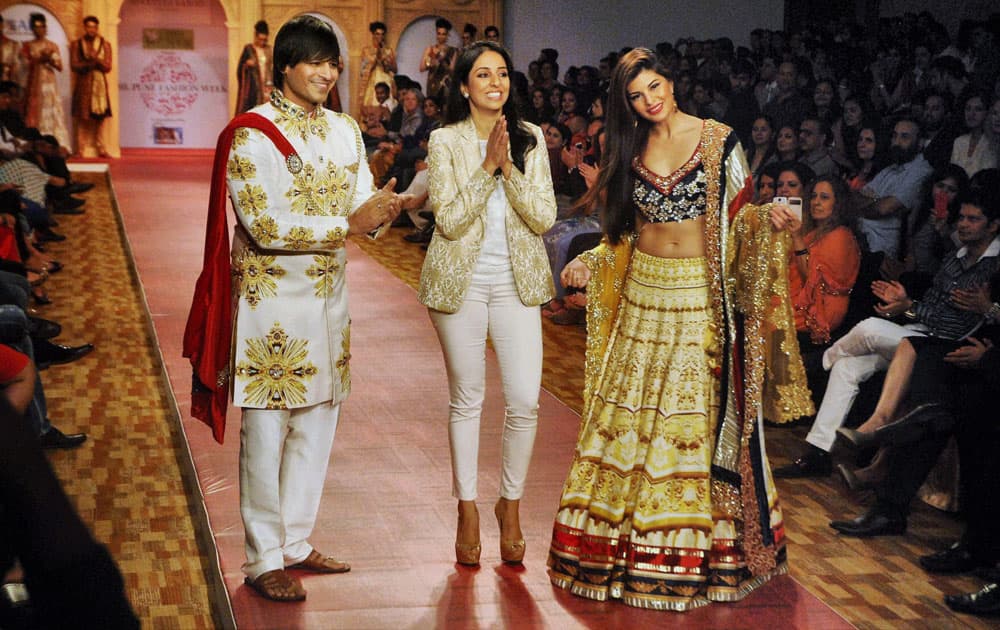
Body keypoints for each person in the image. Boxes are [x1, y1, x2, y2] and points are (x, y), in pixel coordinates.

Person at [547, 48, 812, 611]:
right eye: (637, 96)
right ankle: (617, 547)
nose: (650, 100)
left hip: (699, 296)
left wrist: (771, 217)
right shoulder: (626, 147)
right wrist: (591, 260)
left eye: (655, 86)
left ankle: (697, 554)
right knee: (629, 419)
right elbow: (620, 231)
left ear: (671, 81)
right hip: (643, 293)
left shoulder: (719, 140)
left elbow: (741, 215)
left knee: (692, 421)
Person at [182, 15, 403, 603]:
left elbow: (358, 206)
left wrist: (384, 211)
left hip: (329, 298)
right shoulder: (251, 134)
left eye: (333, 64)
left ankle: (297, 541)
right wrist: (347, 225)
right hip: (270, 304)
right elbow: (261, 222)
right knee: (269, 429)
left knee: (318, 421)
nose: (327, 73)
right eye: (315, 62)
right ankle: (262, 558)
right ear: (284, 66)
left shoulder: (345, 129)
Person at [417, 41, 556, 567]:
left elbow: (543, 217)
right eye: (483, 74)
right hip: (461, 282)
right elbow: (448, 221)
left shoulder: (531, 137)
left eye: (502, 73)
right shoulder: (445, 140)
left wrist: (506, 168)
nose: (495, 82)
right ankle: (468, 507)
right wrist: (484, 169)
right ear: (463, 85)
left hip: (517, 282)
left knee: (524, 400)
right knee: (467, 398)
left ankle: (511, 505)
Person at [782, 175, 861, 349]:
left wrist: (796, 237)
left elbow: (810, 278)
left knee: (764, 317)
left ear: (838, 203)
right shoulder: (813, 232)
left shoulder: (840, 236)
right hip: (802, 301)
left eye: (824, 198)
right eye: (813, 196)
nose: (816, 202)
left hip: (820, 312)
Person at [21, 14, 69, 149]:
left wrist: (49, 59)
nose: (39, 29)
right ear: (32, 28)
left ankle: (54, 143)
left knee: (51, 110)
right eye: (36, 27)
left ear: (45, 27)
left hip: (49, 84)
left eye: (41, 26)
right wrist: (39, 59)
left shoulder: (52, 45)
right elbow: (23, 66)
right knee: (34, 112)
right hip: (34, 84)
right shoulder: (27, 46)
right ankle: (35, 143)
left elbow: (60, 67)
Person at [70, 16, 112, 158]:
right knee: (82, 118)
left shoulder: (105, 44)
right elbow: (74, 65)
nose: (91, 29)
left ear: (97, 28)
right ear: (85, 28)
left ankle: (101, 148)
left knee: (100, 119)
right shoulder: (77, 44)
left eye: (94, 27)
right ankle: (80, 149)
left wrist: (96, 59)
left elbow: (107, 66)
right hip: (84, 85)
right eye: (88, 26)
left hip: (99, 85)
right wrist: (89, 62)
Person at [358, 22, 396, 110]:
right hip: (371, 82)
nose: (380, 37)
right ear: (373, 34)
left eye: (382, 34)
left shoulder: (389, 50)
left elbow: (394, 69)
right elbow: (363, 71)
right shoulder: (366, 51)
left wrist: (386, 62)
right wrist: (376, 58)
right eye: (377, 34)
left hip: (386, 81)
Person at [420, 18, 456, 101]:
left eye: (444, 34)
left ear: (447, 35)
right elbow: (421, 68)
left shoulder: (453, 51)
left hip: (446, 83)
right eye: (439, 33)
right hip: (433, 82)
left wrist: (443, 61)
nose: (441, 36)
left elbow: (452, 70)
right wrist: (430, 64)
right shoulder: (430, 49)